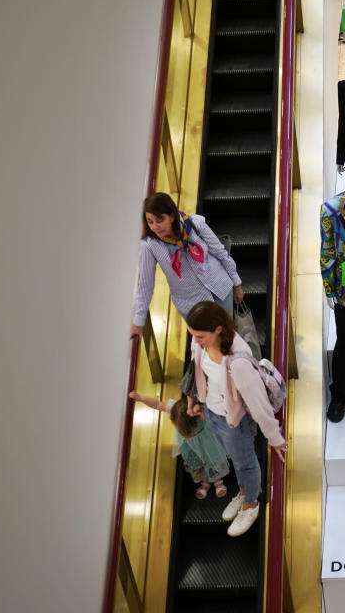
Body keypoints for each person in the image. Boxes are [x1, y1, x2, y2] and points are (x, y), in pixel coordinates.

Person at [184, 301, 288, 537]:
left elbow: (259, 403)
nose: (196, 340)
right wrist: (193, 397)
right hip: (212, 412)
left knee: (245, 463)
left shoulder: (238, 362)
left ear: (218, 329)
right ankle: (242, 492)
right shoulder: (200, 343)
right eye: (193, 335)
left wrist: (274, 437)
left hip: (235, 422)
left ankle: (251, 504)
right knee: (234, 459)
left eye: (200, 336)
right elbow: (196, 369)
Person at [131, 193, 244, 336]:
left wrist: (237, 284)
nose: (155, 227)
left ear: (171, 216)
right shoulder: (149, 246)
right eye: (150, 221)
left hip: (220, 289)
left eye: (159, 220)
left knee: (229, 336)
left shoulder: (195, 223)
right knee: (209, 346)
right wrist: (138, 322)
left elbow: (220, 253)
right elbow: (145, 286)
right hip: (193, 305)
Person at [128, 392, 229, 500]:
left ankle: (218, 481)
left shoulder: (198, 411)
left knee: (212, 459)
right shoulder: (175, 411)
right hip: (190, 446)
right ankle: (205, 482)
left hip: (207, 442)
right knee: (198, 462)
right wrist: (140, 398)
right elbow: (157, 404)